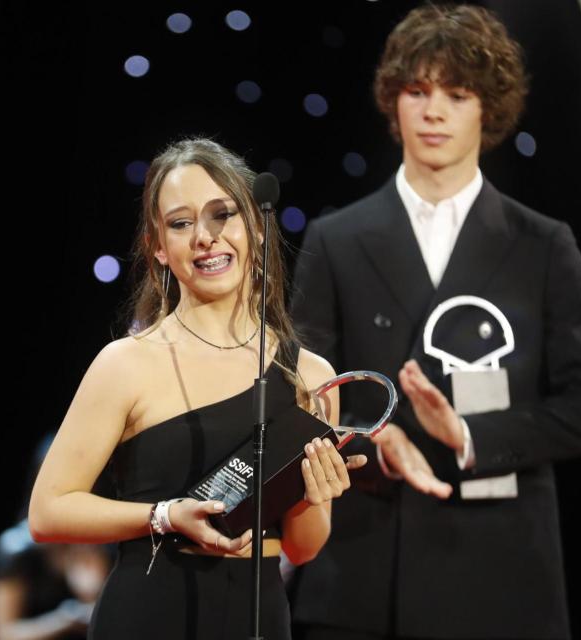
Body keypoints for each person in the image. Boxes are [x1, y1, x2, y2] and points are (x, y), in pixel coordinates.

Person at [290, 5, 581, 639]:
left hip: (501, 581)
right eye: (417, 91)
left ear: (488, 109)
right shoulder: (336, 239)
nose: (434, 110)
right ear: (393, 104)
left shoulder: (542, 245)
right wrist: (369, 436)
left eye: (456, 93)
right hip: (362, 580)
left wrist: (469, 434)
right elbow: (299, 393)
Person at [29, 138, 364, 640]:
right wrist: (164, 516)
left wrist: (311, 494)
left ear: (255, 225)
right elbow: (48, 512)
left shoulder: (310, 376)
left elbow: (304, 548)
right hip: (149, 612)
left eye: (221, 214)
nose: (205, 237)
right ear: (158, 247)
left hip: (259, 616)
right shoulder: (126, 363)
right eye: (181, 223)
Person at [0, 434, 112, 640]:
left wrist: (90, 595)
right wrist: (64, 620)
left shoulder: (105, 543)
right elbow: (1, 634)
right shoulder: (15, 549)